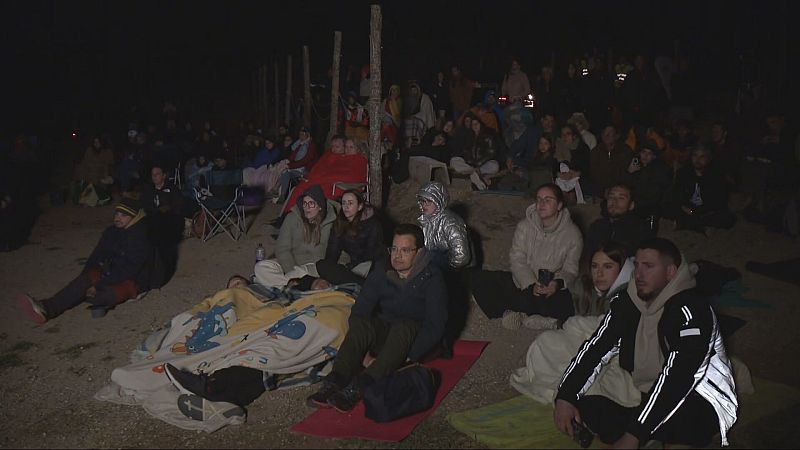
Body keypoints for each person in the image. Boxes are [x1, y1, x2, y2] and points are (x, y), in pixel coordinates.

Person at [554, 238, 737, 448]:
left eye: (649, 267)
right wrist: (565, 396)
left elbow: (679, 379)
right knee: (585, 407)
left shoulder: (691, 310)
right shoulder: (628, 300)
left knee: (676, 419)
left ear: (670, 272)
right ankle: (648, 436)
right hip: (647, 393)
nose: (639, 274)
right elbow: (597, 346)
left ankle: (649, 436)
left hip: (699, 400)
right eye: (637, 265)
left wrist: (634, 434)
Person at [306, 223, 448, 413]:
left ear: (419, 252)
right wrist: (365, 356)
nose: (397, 256)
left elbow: (435, 326)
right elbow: (360, 310)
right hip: (386, 331)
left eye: (405, 250)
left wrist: (405, 357)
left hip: (414, 338)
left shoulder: (432, 278)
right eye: (394, 249)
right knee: (362, 325)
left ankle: (359, 387)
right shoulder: (383, 270)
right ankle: (335, 381)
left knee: (404, 326)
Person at [510, 242, 635, 402]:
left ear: (621, 269)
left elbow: (608, 334)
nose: (599, 273)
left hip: (611, 356)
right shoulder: (586, 288)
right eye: (595, 266)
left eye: (608, 267)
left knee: (596, 380)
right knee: (545, 341)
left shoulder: (629, 295)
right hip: (584, 343)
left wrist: (573, 325)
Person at [17, 198, 153, 322]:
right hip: (111, 272)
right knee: (83, 283)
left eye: (124, 216)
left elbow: (129, 269)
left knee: (101, 296)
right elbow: (96, 257)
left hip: (134, 279)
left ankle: (109, 297)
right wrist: (87, 278)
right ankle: (46, 309)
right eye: (117, 214)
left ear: (134, 218)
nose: (118, 218)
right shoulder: (112, 232)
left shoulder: (139, 237)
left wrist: (99, 284)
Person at [471, 183, 582, 329]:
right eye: (539, 199)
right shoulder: (525, 226)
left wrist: (557, 284)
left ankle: (539, 319)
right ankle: (511, 314)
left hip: (550, 288)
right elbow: (517, 259)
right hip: (524, 284)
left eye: (548, 200)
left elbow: (571, 270)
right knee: (479, 278)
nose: (541, 204)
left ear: (559, 205)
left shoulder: (573, 234)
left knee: (564, 303)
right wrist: (530, 284)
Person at [254, 185, 339, 288]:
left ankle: (283, 286)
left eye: (311, 203)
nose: (307, 207)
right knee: (260, 267)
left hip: (315, 268)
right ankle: (293, 287)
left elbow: (337, 253)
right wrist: (290, 270)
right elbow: (282, 249)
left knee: (297, 273)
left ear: (320, 206)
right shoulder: (291, 218)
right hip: (292, 264)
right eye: (304, 203)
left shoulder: (332, 222)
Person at [280, 136, 368, 215]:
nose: (348, 149)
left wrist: (324, 178)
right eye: (346, 147)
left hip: (341, 187)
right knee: (302, 188)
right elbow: (331, 170)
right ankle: (289, 215)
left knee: (310, 192)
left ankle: (295, 216)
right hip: (330, 183)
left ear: (358, 149)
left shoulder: (359, 159)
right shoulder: (343, 157)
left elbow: (353, 176)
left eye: (351, 147)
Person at [315, 190, 384, 286]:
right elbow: (332, 252)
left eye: (350, 203)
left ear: (359, 207)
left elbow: (374, 254)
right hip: (352, 269)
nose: (346, 207)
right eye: (344, 203)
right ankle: (358, 283)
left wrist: (353, 267)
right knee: (322, 265)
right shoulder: (339, 223)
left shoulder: (373, 224)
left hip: (370, 266)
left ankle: (365, 285)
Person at [668, 145, 736, 234]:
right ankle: (700, 227)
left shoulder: (716, 175)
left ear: (708, 159)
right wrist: (683, 206)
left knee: (727, 219)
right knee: (668, 208)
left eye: (702, 157)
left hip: (706, 210)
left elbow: (719, 200)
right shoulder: (684, 172)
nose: (697, 160)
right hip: (688, 208)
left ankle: (686, 224)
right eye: (695, 156)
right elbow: (677, 193)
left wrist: (697, 211)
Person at [584, 183, 654, 261]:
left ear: (631, 205)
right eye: (611, 197)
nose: (614, 201)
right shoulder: (597, 226)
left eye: (621, 198)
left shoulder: (640, 229)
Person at [415, 181, 471, 269]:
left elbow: (461, 256)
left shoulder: (450, 222)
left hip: (452, 268)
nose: (424, 205)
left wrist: (447, 269)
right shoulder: (425, 221)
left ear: (438, 201)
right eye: (422, 201)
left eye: (429, 201)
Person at [625, 139, 673, 224]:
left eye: (649, 153)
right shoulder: (634, 165)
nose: (645, 156)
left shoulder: (661, 170)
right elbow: (624, 187)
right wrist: (629, 173)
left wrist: (636, 204)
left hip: (651, 207)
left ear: (654, 156)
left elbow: (658, 194)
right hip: (634, 204)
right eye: (643, 152)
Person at [449, 118, 502, 191]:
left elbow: (490, 153)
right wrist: (471, 163)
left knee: (495, 165)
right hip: (471, 165)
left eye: (476, 124)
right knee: (454, 160)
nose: (475, 126)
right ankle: (474, 173)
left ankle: (474, 173)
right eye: (473, 124)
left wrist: (478, 164)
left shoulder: (487, 136)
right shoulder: (468, 137)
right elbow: (465, 152)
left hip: (482, 164)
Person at [588, 125, 634, 197]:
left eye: (609, 134)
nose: (606, 136)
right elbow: (594, 173)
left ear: (616, 136)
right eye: (604, 134)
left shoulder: (625, 151)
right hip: (601, 190)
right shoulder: (596, 151)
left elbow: (626, 172)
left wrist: (613, 187)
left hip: (620, 187)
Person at [276, 127, 318, 203]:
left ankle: (278, 191)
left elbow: (305, 160)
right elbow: (294, 155)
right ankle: (282, 196)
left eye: (303, 134)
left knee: (286, 170)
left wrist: (291, 166)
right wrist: (288, 161)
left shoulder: (311, 145)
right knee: (285, 172)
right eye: (300, 134)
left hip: (304, 169)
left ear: (307, 135)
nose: (301, 136)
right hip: (296, 167)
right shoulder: (300, 144)